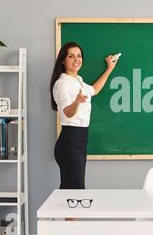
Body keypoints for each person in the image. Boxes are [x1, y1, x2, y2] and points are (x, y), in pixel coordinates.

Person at [50, 42, 118, 189]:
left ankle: (67, 213)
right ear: (63, 60)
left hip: (79, 141)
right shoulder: (62, 83)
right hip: (70, 142)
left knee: (72, 194)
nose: (76, 59)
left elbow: (94, 90)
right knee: (75, 194)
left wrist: (109, 69)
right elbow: (68, 113)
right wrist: (76, 102)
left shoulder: (77, 80)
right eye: (71, 56)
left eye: (79, 56)